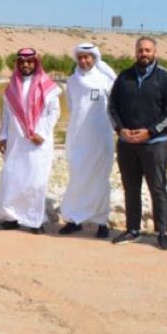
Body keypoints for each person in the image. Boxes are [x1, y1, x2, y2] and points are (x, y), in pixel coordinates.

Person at [108, 36, 167, 249]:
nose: (144, 54)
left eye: (148, 50)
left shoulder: (165, 77)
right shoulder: (124, 77)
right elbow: (112, 107)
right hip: (127, 143)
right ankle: (132, 230)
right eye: (140, 50)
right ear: (136, 52)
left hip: (155, 143)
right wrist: (120, 129)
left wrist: (150, 131)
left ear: (155, 52)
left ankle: (162, 232)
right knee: (131, 188)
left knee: (157, 188)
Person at [0, 48, 61, 234]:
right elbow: (6, 114)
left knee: (35, 182)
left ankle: (34, 221)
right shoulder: (12, 87)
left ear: (36, 63)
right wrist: (3, 137)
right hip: (16, 141)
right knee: (12, 179)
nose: (26, 65)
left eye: (30, 61)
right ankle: (11, 218)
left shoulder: (47, 85)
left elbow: (55, 112)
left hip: (38, 143)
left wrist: (42, 133)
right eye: (22, 62)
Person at [58, 43, 116, 238]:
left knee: (100, 180)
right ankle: (74, 219)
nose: (84, 61)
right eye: (80, 57)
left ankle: (101, 221)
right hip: (78, 138)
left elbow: (114, 105)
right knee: (77, 178)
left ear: (94, 58)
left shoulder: (105, 80)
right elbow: (72, 106)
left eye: (87, 57)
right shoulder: (72, 81)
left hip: (100, 138)